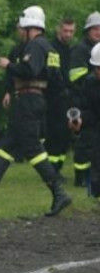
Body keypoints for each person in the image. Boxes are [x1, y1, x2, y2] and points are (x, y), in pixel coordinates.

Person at [0, 5, 72, 216]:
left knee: (32, 149)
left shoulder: (35, 45)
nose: (18, 32)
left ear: (29, 27)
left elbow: (29, 70)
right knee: (5, 148)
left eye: (20, 28)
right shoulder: (50, 49)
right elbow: (57, 81)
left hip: (27, 102)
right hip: (32, 101)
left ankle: (59, 193)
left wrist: (8, 66)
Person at [67, 11, 100, 186]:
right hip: (80, 99)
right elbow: (75, 76)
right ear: (87, 31)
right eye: (95, 29)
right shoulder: (80, 50)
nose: (98, 32)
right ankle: (82, 178)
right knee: (84, 142)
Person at [44, 17, 75, 175]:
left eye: (71, 31)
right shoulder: (52, 48)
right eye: (65, 31)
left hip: (67, 97)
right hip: (54, 97)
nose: (68, 34)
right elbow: (54, 74)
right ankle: (51, 170)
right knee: (55, 134)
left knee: (65, 135)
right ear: (58, 30)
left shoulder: (69, 49)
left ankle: (57, 168)